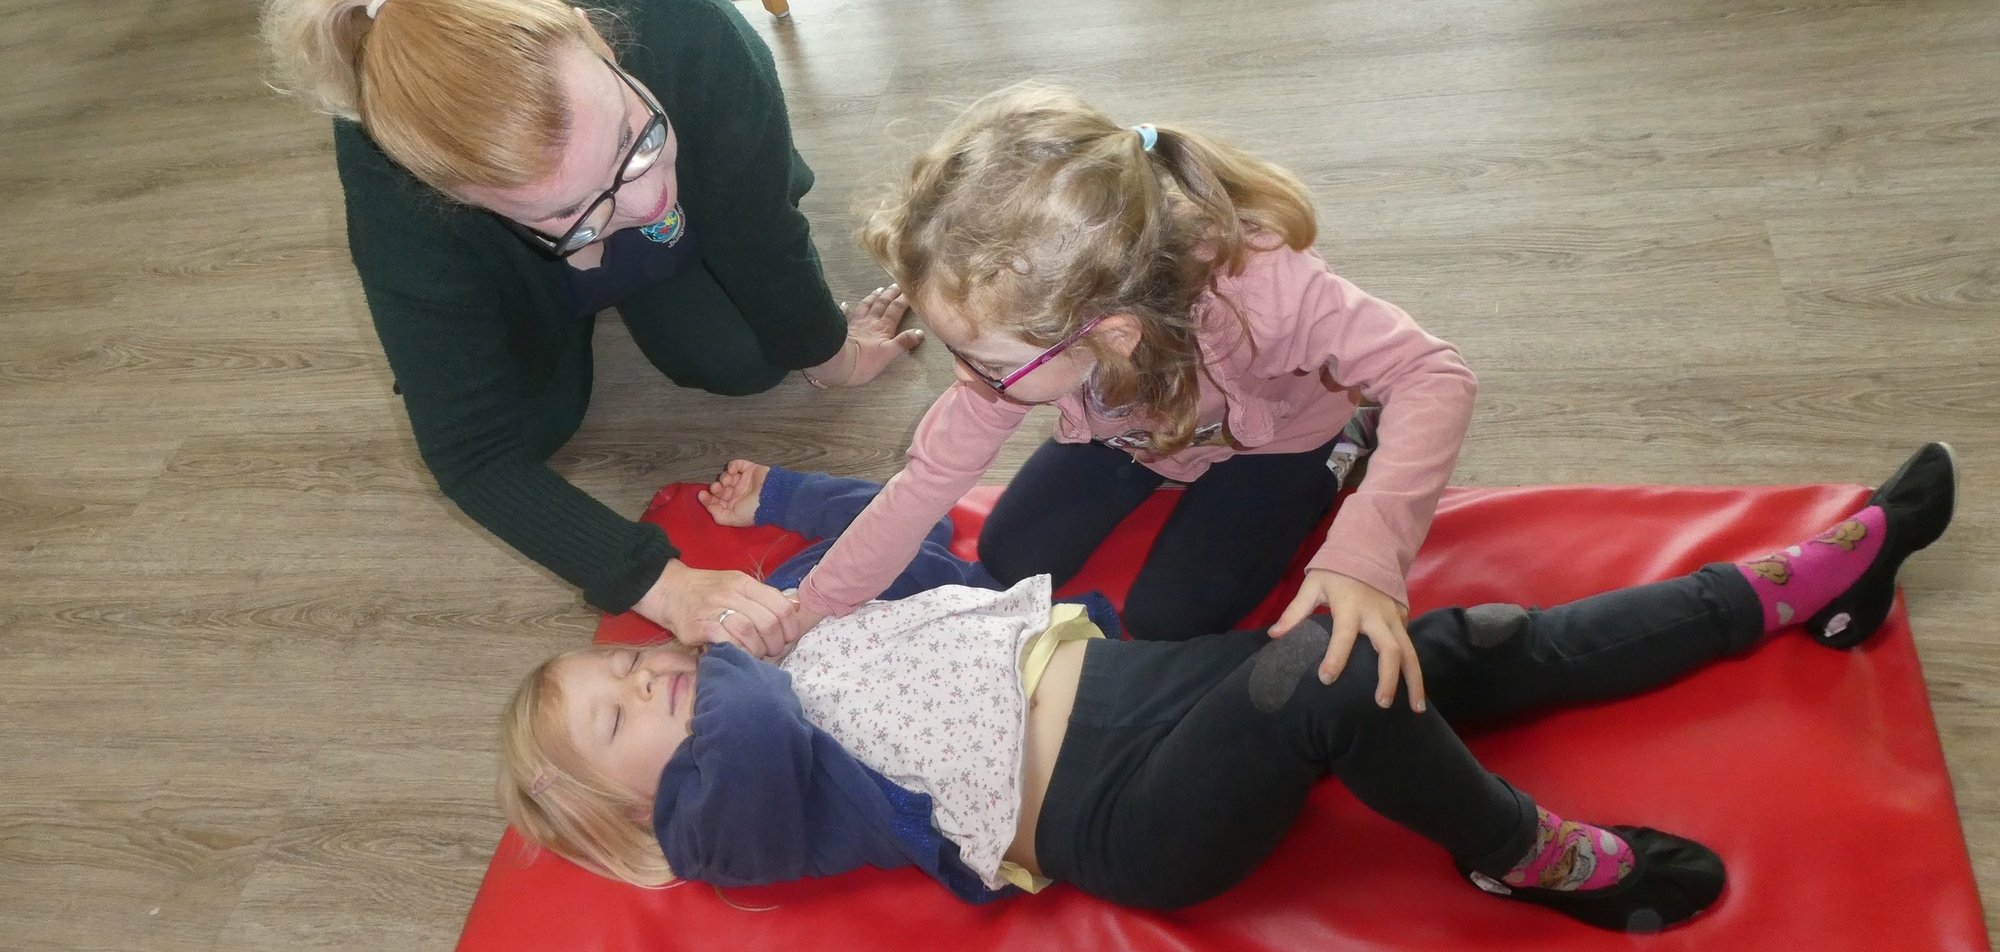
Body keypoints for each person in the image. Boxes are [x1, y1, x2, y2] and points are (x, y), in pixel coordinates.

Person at [496, 443, 1958, 932]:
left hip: (1160, 682)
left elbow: (911, 553)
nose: (658, 688)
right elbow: (739, 745)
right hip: (1127, 816)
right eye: (622, 716)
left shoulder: (801, 648)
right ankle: (1525, 857)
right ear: (618, 808)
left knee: (1463, 647)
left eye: (630, 670)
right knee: (1342, 667)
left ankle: (1796, 587)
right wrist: (738, 650)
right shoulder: (724, 814)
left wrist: (799, 510)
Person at [784, 83, 1477, 714]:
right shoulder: (1025, 334)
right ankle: (1156, 454)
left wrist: (1367, 552)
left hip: (1275, 441)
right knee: (1009, 550)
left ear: (1112, 335)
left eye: (987, 362)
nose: (966, 379)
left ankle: (1350, 439)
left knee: (1171, 617)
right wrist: (810, 607)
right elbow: (924, 484)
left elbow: (1434, 375)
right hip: (1135, 432)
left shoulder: (1269, 291)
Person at [260, 0, 920, 646]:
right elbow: (474, 454)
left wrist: (833, 356)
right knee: (533, 428)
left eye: (634, 139)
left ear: (593, 36)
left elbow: (759, 234)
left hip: (698, 198)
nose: (647, 197)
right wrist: (664, 586)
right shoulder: (398, 193)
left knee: (743, 358)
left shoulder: (680, 26)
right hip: (526, 273)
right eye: (571, 209)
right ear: (456, 198)